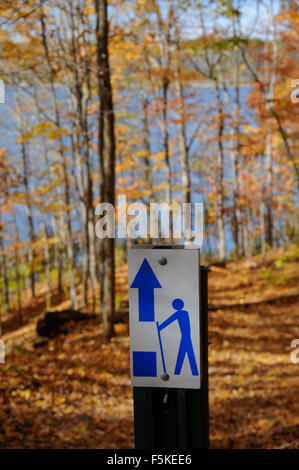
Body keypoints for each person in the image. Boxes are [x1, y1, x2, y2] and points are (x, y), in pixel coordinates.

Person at [157, 298, 199, 376]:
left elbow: (169, 320)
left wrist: (160, 327)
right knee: (187, 353)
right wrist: (160, 328)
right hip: (186, 336)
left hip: (185, 336)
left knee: (184, 353)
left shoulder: (179, 314)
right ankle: (190, 371)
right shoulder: (185, 313)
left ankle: (178, 372)